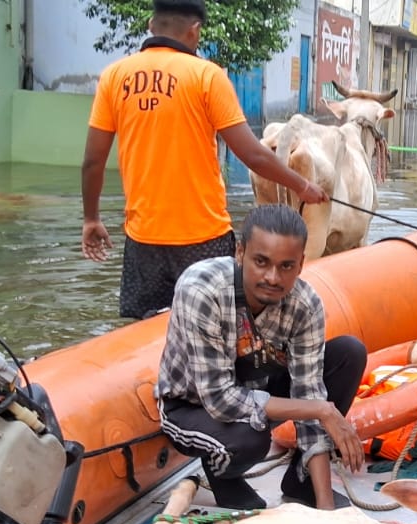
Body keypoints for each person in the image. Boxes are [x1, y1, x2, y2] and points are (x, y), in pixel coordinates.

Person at [81, 0, 329, 321]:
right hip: (203, 238)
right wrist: (303, 186)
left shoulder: (114, 77)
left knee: (146, 337)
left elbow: (92, 161)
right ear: (194, 31)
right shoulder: (206, 76)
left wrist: (91, 219)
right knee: (218, 328)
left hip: (143, 241)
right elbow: (252, 154)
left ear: (151, 25)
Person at [157, 204, 366, 511]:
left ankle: (302, 481)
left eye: (286, 266)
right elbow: (219, 398)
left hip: (255, 392)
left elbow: (309, 392)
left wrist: (325, 510)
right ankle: (223, 477)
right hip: (192, 406)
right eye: (261, 262)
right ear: (240, 253)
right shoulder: (202, 290)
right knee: (250, 438)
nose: (272, 277)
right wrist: (322, 410)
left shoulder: (305, 306)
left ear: (300, 264)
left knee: (349, 353)